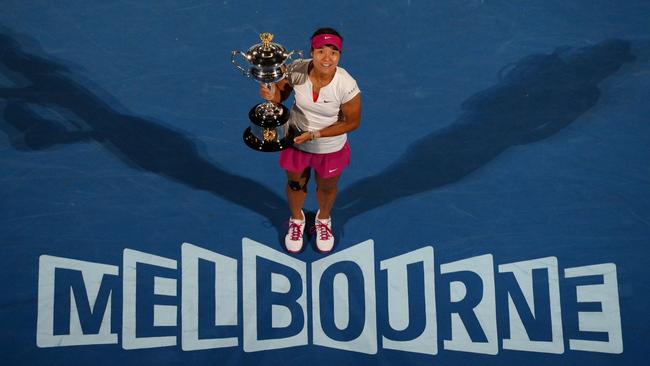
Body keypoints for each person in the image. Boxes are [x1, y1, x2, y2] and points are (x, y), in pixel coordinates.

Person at [259, 27, 361, 254]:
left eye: (333, 52)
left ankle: (323, 220)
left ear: (340, 56)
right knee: (296, 184)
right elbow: (280, 96)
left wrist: (316, 134)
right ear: (311, 51)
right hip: (296, 142)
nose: (327, 58)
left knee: (326, 187)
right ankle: (297, 219)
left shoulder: (347, 85)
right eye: (321, 51)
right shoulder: (297, 68)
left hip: (329, 148)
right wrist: (271, 95)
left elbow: (352, 122)